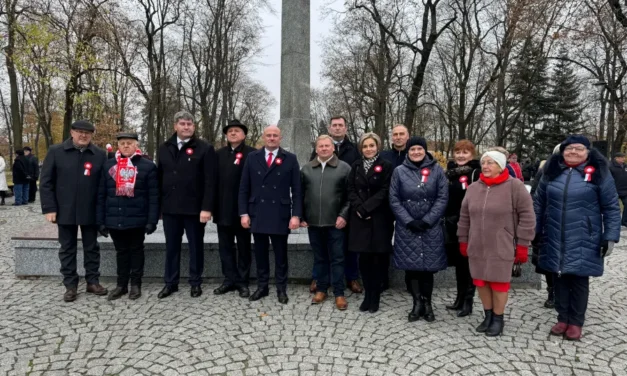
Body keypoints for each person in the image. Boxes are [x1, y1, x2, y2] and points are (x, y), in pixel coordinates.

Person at [534, 135, 620, 340]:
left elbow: (611, 207)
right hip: (554, 232)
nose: (573, 152)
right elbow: (538, 203)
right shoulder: (551, 172)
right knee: (558, 275)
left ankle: (576, 321)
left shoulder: (599, 172)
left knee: (579, 278)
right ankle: (562, 317)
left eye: (578, 149)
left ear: (588, 152)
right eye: (569, 148)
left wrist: (610, 236)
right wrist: (534, 229)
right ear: (562, 152)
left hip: (585, 235)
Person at [457, 150, 535, 336]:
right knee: (481, 282)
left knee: (499, 283)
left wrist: (523, 244)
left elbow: (527, 216)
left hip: (502, 244)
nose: (485, 166)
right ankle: (488, 315)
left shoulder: (515, 187)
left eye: (491, 163)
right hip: (477, 244)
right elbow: (465, 216)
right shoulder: (473, 188)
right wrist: (463, 239)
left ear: (501, 166)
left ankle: (498, 318)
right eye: (484, 162)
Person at [40, 120, 108, 302]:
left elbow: (105, 184)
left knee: (91, 247)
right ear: (72, 132)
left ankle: (93, 281)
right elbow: (46, 182)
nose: (83, 135)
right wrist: (49, 207)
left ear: (92, 134)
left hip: (90, 209)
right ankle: (70, 285)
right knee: (67, 248)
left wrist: (103, 211)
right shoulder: (56, 151)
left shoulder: (100, 155)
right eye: (79, 132)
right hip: (65, 209)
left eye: (87, 132)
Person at [156, 111, 217, 299]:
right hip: (171, 208)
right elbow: (160, 177)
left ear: (194, 127)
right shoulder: (164, 147)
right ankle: (170, 283)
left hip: (195, 210)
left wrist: (207, 208)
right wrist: (160, 207)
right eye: (182, 124)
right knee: (171, 247)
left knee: (195, 247)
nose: (186, 127)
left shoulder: (205, 148)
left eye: (189, 124)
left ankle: (195, 282)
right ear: (175, 126)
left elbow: (210, 181)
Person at [239, 125, 302, 304]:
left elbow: (297, 190)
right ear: (263, 138)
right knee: (260, 254)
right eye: (269, 135)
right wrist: (243, 213)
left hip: (280, 213)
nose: (272, 138)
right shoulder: (252, 158)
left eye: (275, 135)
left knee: (281, 255)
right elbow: (244, 188)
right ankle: (262, 286)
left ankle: (281, 288)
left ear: (280, 138)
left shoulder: (290, 158)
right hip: (257, 211)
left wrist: (296, 215)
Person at [389, 137, 448, 322]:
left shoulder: (437, 170)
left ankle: (427, 302)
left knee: (428, 268)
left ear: (425, 150)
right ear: (407, 151)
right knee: (412, 268)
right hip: (408, 228)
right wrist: (408, 221)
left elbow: (442, 197)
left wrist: (428, 220)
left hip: (430, 227)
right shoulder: (399, 172)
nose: (416, 152)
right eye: (412, 149)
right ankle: (417, 302)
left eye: (419, 149)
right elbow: (394, 199)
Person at [96, 132, 159, 300]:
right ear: (118, 146)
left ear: (136, 145)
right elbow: (101, 194)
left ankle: (135, 285)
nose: (126, 146)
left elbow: (153, 196)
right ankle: (121, 285)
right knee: (121, 252)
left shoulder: (147, 166)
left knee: (136, 251)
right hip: (115, 218)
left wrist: (152, 220)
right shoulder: (108, 166)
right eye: (122, 143)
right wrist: (100, 220)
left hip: (137, 218)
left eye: (129, 143)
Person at [309, 116, 362, 294]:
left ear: (346, 128)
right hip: (321, 215)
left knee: (348, 248)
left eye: (341, 125)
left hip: (345, 210)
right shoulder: (317, 153)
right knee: (322, 252)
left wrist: (345, 213)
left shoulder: (354, 150)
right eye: (334, 125)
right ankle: (318, 279)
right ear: (330, 128)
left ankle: (351, 277)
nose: (337, 128)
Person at [301, 135, 352, 310]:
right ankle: (322, 289)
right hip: (314, 223)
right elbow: (301, 195)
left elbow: (350, 197)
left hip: (335, 223)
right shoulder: (307, 169)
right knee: (320, 258)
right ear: (316, 149)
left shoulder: (344, 168)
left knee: (337, 258)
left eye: (327, 146)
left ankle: (339, 292)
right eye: (320, 146)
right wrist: (302, 216)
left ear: (333, 148)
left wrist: (343, 216)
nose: (323, 148)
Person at [347, 133, 394, 313]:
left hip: (379, 218)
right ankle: (367, 295)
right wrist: (359, 208)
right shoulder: (356, 166)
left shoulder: (386, 166)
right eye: (365, 146)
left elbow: (385, 190)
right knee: (364, 261)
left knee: (378, 260)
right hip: (360, 219)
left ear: (378, 147)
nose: (368, 149)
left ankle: (376, 296)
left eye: (371, 146)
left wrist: (367, 208)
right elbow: (350, 188)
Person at [213, 119, 256, 298]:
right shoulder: (218, 154)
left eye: (237, 130)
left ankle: (242, 281)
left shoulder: (253, 154)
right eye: (230, 131)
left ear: (244, 135)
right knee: (225, 247)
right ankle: (229, 279)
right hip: (222, 209)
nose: (233, 133)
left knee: (244, 247)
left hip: (243, 211)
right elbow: (212, 182)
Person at [444, 140, 481, 317]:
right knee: (459, 264)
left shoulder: (476, 173)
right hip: (451, 224)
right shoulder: (449, 174)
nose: (460, 155)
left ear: (472, 155)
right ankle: (459, 299)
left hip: (469, 224)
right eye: (458, 152)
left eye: (465, 152)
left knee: (468, 264)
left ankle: (468, 301)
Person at [530, 144, 561, 309]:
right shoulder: (545, 171)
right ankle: (552, 291)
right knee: (549, 261)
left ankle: (566, 292)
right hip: (548, 223)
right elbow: (535, 195)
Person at [609, 152, 627, 227]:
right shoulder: (610, 166)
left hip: (625, 190)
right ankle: (613, 222)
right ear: (616, 158)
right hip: (614, 190)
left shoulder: (626, 166)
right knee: (614, 207)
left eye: (624, 157)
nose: (624, 159)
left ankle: (625, 221)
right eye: (621, 157)